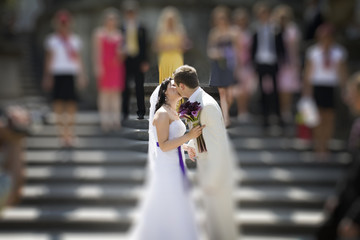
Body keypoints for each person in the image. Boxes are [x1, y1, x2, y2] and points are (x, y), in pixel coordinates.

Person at [129, 78, 202, 240]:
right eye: (173, 85)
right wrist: (189, 136)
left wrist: (186, 146)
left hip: (176, 164)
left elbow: (171, 139)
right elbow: (163, 145)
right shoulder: (162, 113)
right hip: (167, 167)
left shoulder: (173, 112)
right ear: (164, 92)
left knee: (179, 205)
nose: (177, 87)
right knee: (168, 202)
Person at [174, 65, 238, 240]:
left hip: (215, 172)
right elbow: (203, 134)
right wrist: (192, 146)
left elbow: (218, 145)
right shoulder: (196, 101)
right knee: (212, 223)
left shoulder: (206, 105)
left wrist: (213, 179)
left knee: (222, 226)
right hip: (206, 167)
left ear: (181, 86)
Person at [316, 73, 360, 240]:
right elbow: (352, 169)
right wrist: (338, 197)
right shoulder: (357, 125)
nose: (347, 99)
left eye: (351, 93)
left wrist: (355, 218)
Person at [42, 9, 87, 147]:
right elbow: (48, 60)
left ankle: (70, 134)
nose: (63, 26)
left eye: (65, 23)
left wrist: (81, 75)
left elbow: (78, 60)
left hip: (70, 75)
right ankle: (62, 135)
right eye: (61, 23)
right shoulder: (52, 40)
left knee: (72, 106)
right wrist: (47, 77)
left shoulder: (75, 40)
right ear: (57, 24)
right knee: (58, 106)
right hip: (57, 75)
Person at [303, 23, 348, 160]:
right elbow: (308, 74)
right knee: (317, 119)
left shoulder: (339, 52)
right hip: (317, 87)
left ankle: (326, 146)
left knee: (329, 118)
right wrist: (307, 93)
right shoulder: (313, 52)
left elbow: (342, 73)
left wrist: (345, 90)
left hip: (331, 87)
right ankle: (318, 146)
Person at [251, 2, 285, 129]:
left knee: (275, 90)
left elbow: (281, 46)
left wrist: (283, 60)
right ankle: (264, 117)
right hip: (260, 61)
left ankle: (277, 116)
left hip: (272, 61)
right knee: (262, 90)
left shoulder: (275, 28)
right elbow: (253, 47)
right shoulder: (256, 28)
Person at [93, 8, 126, 132]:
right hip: (104, 66)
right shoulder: (99, 33)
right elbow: (97, 51)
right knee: (104, 94)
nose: (111, 22)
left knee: (116, 94)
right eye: (109, 19)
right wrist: (97, 66)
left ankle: (115, 120)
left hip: (117, 67)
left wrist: (122, 53)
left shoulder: (119, 35)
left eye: (113, 20)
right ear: (105, 20)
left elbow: (122, 54)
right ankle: (104, 121)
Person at [208, 6, 238, 128]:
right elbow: (209, 50)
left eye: (223, 18)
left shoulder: (233, 32)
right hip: (219, 65)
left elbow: (239, 50)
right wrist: (217, 54)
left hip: (230, 65)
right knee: (223, 93)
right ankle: (226, 119)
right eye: (219, 18)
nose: (221, 21)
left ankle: (221, 114)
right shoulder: (214, 33)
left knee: (230, 94)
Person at [273, 5, 301, 123]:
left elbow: (296, 48)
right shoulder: (274, 29)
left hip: (290, 63)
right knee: (277, 88)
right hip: (276, 63)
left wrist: (296, 62)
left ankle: (286, 112)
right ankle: (278, 112)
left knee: (287, 89)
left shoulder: (293, 30)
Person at [121, 1, 149, 120]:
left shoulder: (141, 27)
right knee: (124, 86)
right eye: (128, 12)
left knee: (139, 86)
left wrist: (145, 61)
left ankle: (141, 111)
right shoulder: (121, 28)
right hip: (125, 59)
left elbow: (146, 45)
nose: (130, 14)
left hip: (138, 60)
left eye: (132, 12)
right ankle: (124, 112)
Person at [154, 6, 189, 84]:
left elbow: (185, 45)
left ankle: (178, 96)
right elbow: (156, 47)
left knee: (177, 78)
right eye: (168, 20)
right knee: (165, 80)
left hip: (176, 57)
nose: (170, 21)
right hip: (164, 58)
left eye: (172, 19)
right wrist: (166, 47)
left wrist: (176, 47)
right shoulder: (161, 31)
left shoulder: (180, 30)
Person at [232, 8, 256, 122]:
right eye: (239, 19)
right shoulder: (233, 32)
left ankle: (246, 110)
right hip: (237, 63)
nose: (241, 21)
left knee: (248, 89)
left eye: (243, 19)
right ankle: (241, 112)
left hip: (248, 63)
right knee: (239, 89)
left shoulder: (249, 32)